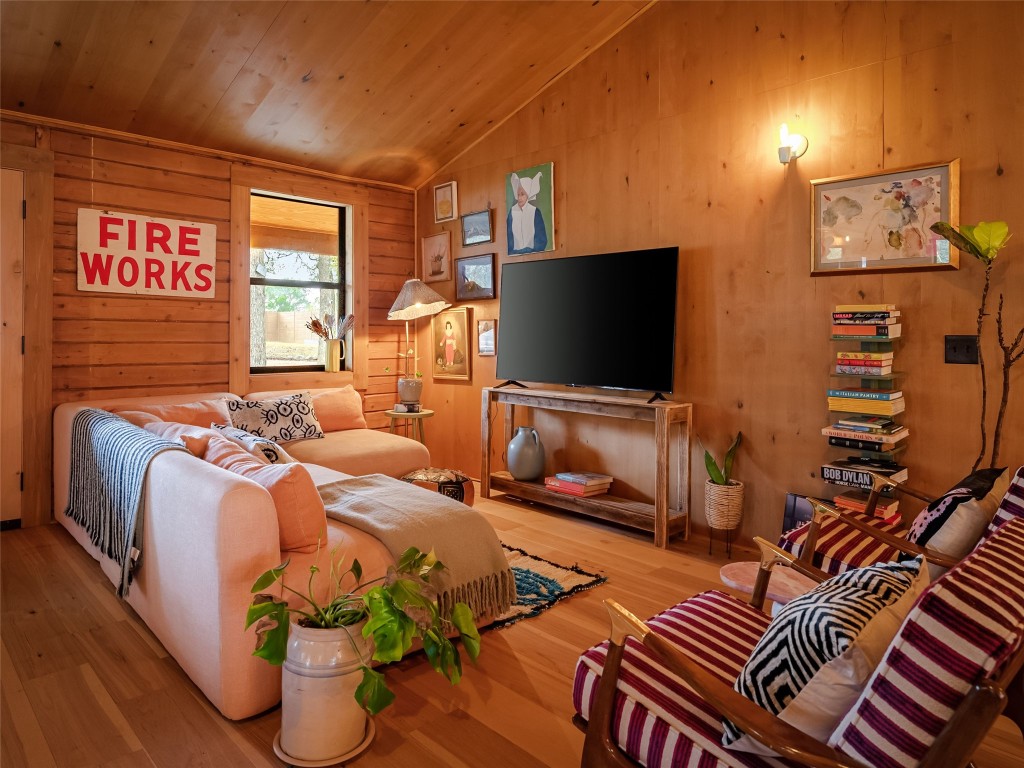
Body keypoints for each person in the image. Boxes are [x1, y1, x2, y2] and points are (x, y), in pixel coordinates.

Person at [506, 171, 547, 254]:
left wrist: (529, 251)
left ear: (528, 195)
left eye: (522, 194)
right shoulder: (512, 212)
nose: (520, 197)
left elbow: (541, 239)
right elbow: (508, 237)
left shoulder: (535, 211)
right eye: (518, 194)